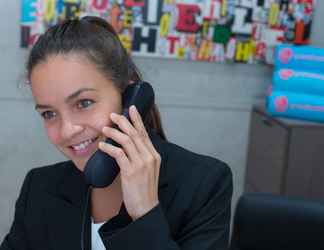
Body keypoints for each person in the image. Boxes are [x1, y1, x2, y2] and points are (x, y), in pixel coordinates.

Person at [0, 16, 233, 250]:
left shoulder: (203, 184)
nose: (67, 130)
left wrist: (145, 214)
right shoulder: (39, 187)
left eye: (84, 103)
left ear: (129, 97)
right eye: (49, 114)